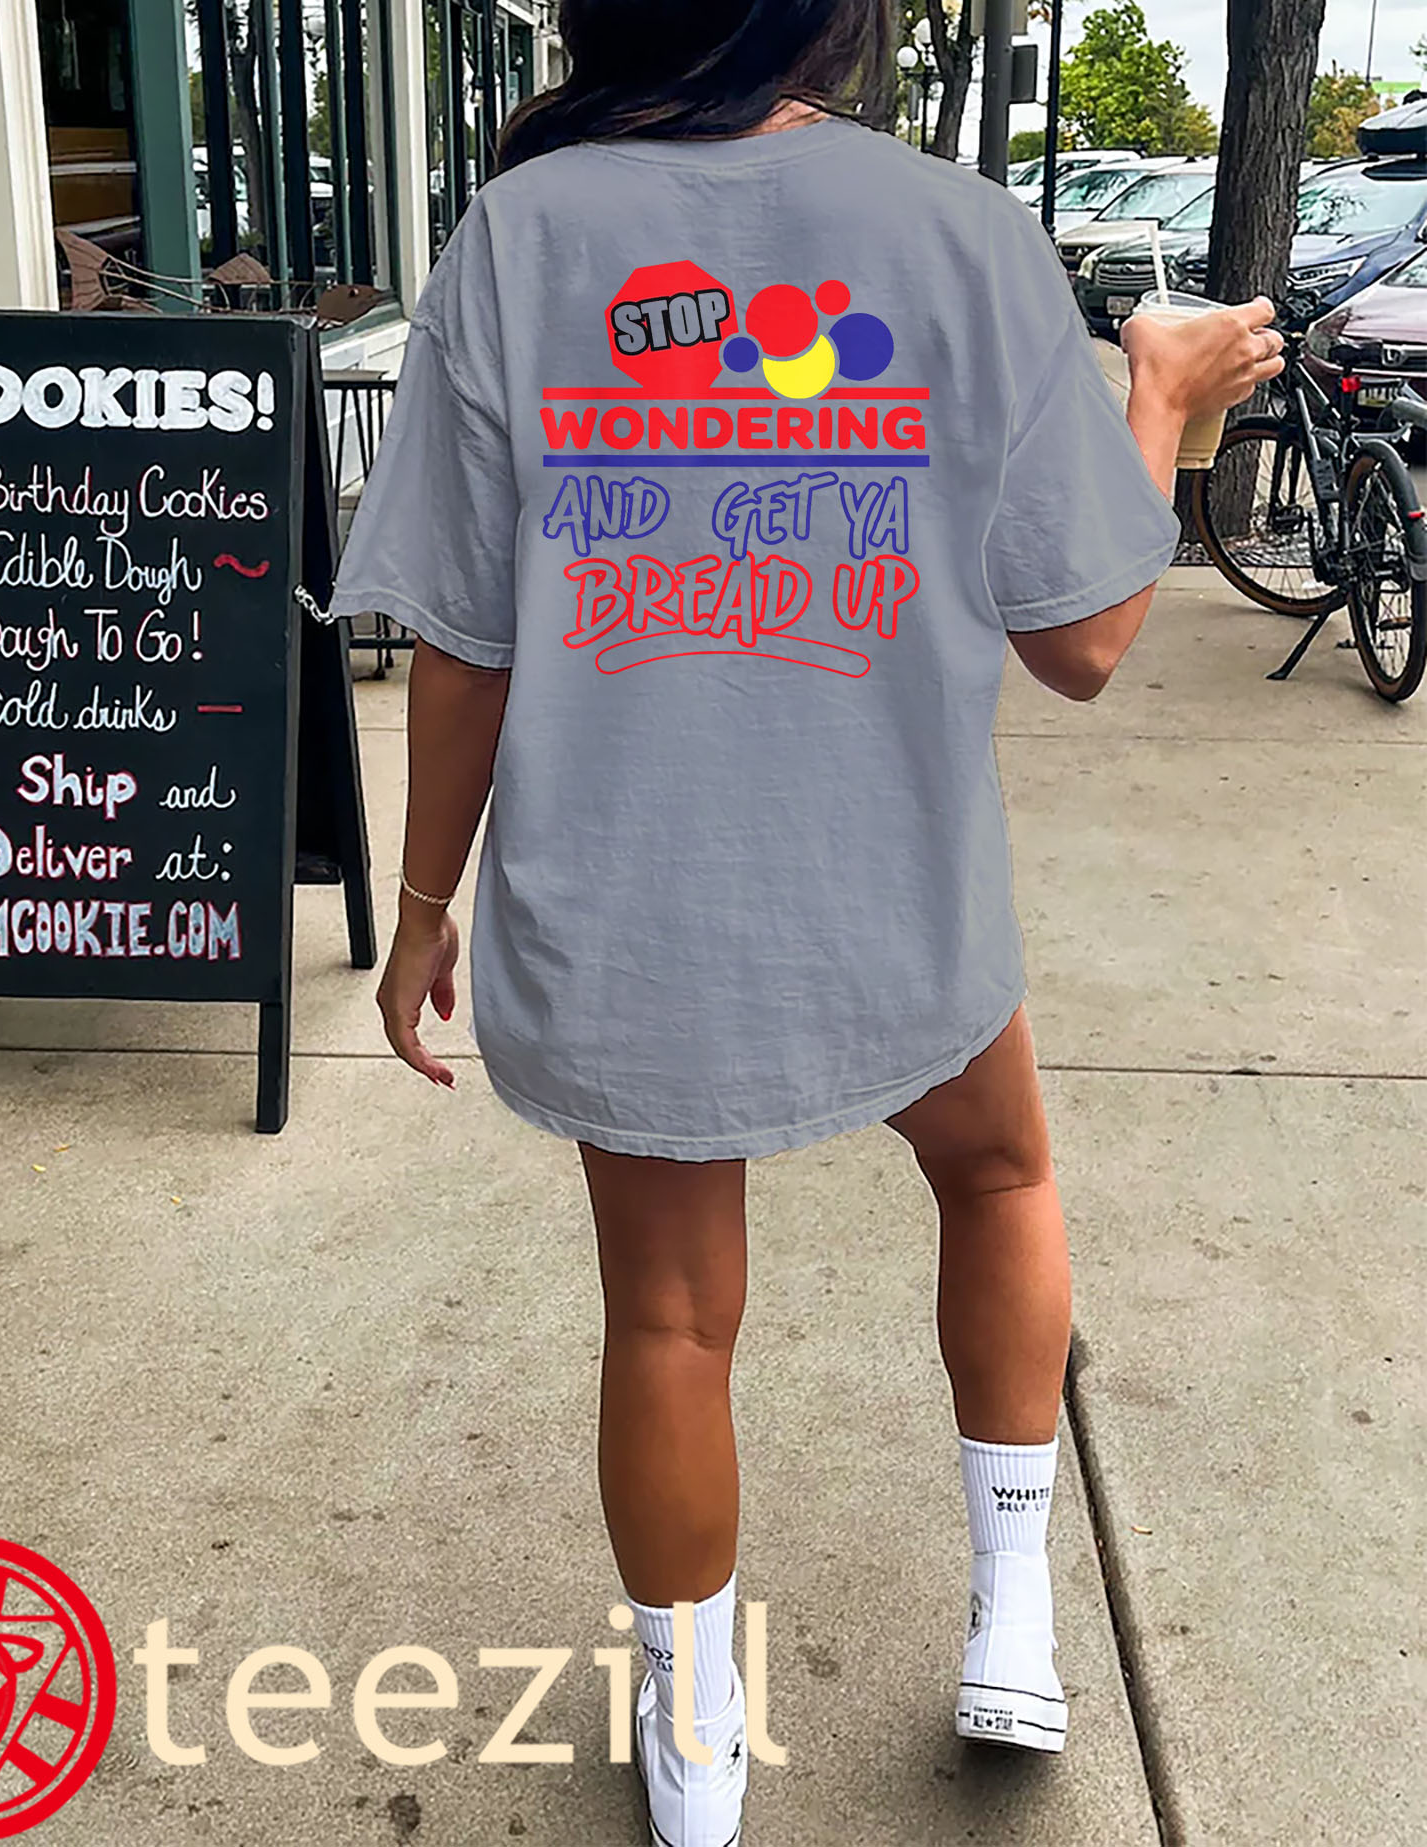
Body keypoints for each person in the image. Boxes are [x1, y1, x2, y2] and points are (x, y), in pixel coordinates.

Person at [332, 4, 1282, 1840]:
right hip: (896, 888)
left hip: (626, 908)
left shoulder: (520, 237)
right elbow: (1087, 640)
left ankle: (697, 1752)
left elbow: (463, 642)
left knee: (669, 1321)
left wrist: (424, 902)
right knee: (999, 1176)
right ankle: (1015, 1621)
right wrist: (1161, 399)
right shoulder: (961, 232)